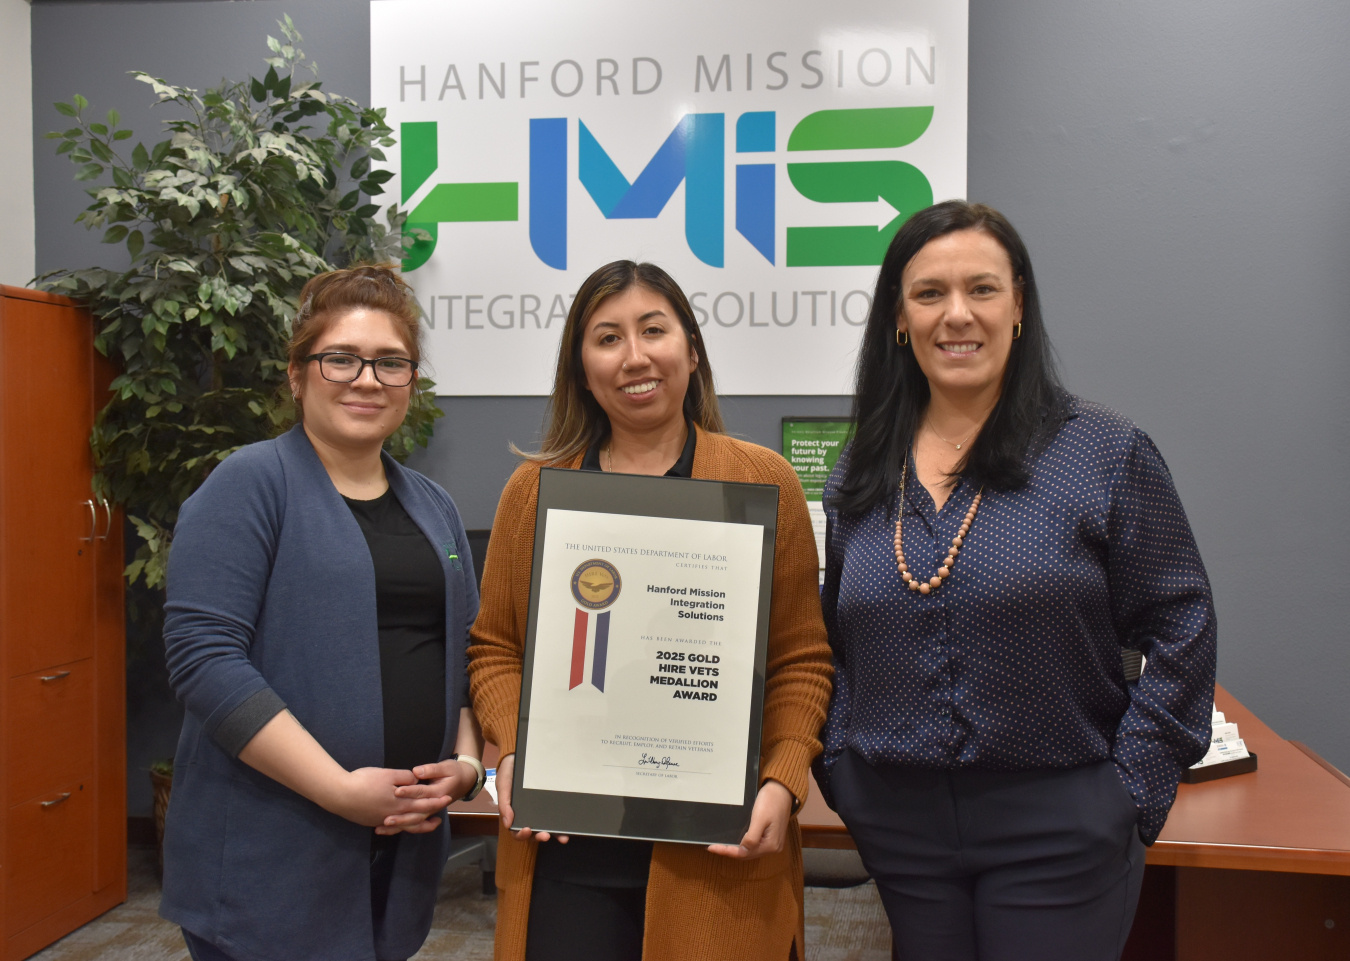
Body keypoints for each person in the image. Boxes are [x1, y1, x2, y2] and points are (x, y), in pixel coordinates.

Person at [812, 201, 1217, 961]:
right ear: (899, 317)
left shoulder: (1102, 451)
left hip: (1060, 822)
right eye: (929, 292)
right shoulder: (862, 469)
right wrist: (841, 768)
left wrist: (1129, 789)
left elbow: (1182, 622)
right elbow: (834, 637)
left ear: (1020, 305)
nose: (956, 314)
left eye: (982, 289)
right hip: (900, 827)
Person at [468, 260, 834, 961]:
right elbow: (495, 648)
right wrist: (515, 747)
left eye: (654, 330)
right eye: (607, 337)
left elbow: (802, 661)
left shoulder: (764, 481)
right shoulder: (535, 491)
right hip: (566, 848)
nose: (634, 355)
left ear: (692, 350)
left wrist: (783, 782)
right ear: (581, 367)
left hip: (718, 849)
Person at [159, 264, 486, 961]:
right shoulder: (248, 483)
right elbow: (206, 660)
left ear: (410, 380)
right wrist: (340, 790)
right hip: (270, 853)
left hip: (400, 843)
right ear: (298, 373)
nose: (367, 379)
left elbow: (463, 650)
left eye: (391, 362)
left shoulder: (434, 506)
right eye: (340, 357)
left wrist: (465, 764)